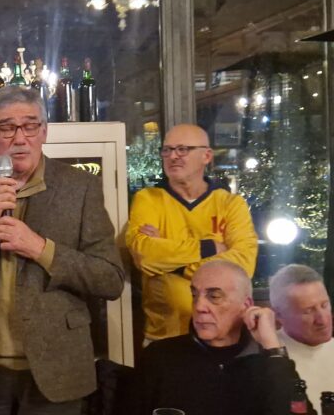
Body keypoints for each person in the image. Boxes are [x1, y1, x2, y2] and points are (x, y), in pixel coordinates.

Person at [0, 86, 125, 414]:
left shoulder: (80, 188)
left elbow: (110, 279)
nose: (19, 138)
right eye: (6, 127)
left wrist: (41, 249)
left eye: (30, 126)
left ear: (44, 132)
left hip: (57, 371)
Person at [126, 123, 258, 342]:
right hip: (165, 338)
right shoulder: (148, 199)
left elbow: (243, 264)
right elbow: (146, 255)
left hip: (222, 337)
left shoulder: (230, 204)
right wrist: (210, 248)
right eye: (167, 150)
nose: (173, 156)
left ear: (206, 156)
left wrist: (174, 265)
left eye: (182, 149)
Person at [136, 260, 304, 415]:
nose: (199, 306)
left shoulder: (269, 362)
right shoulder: (160, 357)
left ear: (245, 305)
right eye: (194, 295)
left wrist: (272, 346)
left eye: (214, 297)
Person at [270, 264, 334, 414]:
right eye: (308, 311)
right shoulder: (270, 358)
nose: (322, 320)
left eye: (324, 305)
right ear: (279, 315)